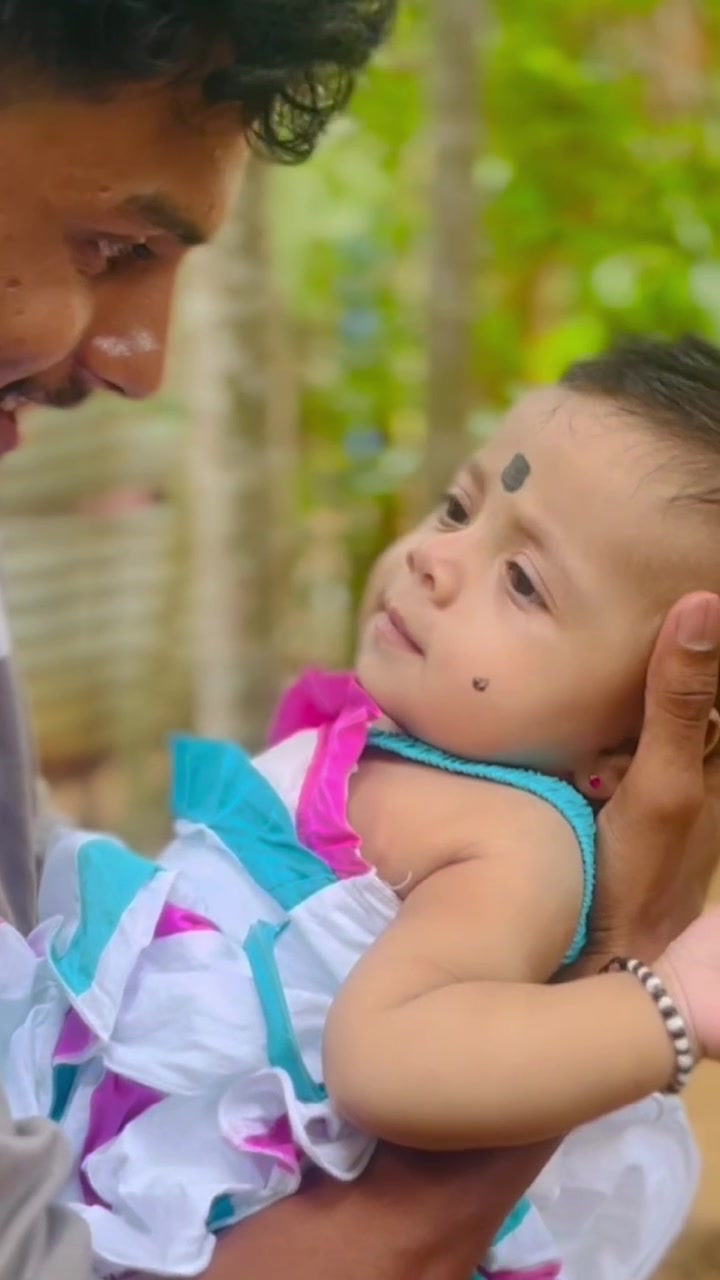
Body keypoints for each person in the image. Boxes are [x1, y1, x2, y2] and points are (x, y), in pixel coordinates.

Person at [0, 6, 720, 1280]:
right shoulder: (401, 761)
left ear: (632, 732)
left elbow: (389, 1065)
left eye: (523, 582)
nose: (437, 557)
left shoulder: (515, 839)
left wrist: (665, 1001)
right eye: (458, 508)